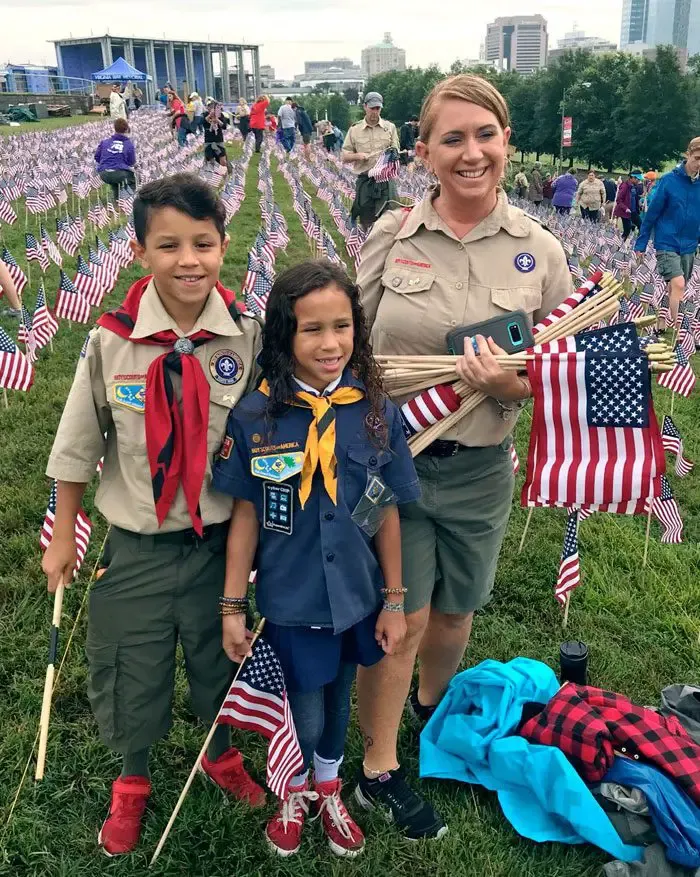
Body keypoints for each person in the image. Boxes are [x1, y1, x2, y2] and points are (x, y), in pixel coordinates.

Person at [354, 73, 572, 840]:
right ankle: (378, 766)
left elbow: (562, 370)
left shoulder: (540, 252)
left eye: (486, 135)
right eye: (453, 138)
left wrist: (510, 382)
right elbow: (346, 344)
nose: (471, 151)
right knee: (401, 619)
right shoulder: (393, 236)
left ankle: (433, 717)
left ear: (507, 142)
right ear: (425, 151)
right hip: (397, 463)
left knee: (455, 612)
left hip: (481, 468)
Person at [41, 174, 265, 857]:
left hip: (219, 545)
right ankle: (132, 776)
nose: (188, 259)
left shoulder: (247, 337)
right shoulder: (111, 341)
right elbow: (78, 441)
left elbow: (267, 437)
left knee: (215, 659)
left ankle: (219, 750)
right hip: (135, 544)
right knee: (129, 664)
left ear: (225, 244)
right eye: (168, 245)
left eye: (203, 242)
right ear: (141, 251)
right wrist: (63, 536)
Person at [212, 259, 420, 858]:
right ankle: (295, 789)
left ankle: (328, 786)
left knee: (338, 700)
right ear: (285, 335)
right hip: (294, 597)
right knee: (302, 704)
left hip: (356, 595)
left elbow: (386, 510)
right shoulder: (257, 416)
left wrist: (395, 600)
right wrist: (232, 606)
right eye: (312, 330)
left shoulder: (376, 410)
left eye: (343, 326)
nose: (330, 344)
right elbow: (246, 516)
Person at [635, 138, 700, 328]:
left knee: (675, 287)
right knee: (678, 284)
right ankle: (680, 331)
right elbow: (651, 214)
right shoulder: (669, 181)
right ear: (687, 154)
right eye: (697, 158)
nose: (699, 163)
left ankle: (662, 320)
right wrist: (641, 243)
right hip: (666, 241)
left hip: (689, 243)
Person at [342, 92, 399, 228]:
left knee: (391, 219)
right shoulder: (354, 130)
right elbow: (344, 156)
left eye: (378, 109)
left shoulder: (390, 128)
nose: (375, 112)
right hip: (366, 181)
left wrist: (393, 155)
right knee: (367, 220)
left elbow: (396, 150)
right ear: (365, 107)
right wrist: (357, 156)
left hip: (385, 181)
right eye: (372, 108)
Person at [94, 118, 136, 202]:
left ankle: (116, 202)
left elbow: (97, 157)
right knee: (131, 182)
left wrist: (106, 163)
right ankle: (125, 201)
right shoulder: (128, 144)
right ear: (126, 129)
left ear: (114, 128)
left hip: (104, 173)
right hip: (120, 173)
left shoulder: (105, 142)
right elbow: (132, 162)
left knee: (115, 183)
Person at [614, 171, 643, 242]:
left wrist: (639, 205)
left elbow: (634, 198)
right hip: (625, 212)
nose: (638, 181)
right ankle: (619, 245)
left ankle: (638, 242)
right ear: (632, 178)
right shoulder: (624, 186)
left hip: (633, 211)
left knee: (641, 225)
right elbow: (619, 200)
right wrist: (626, 208)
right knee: (627, 230)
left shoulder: (634, 186)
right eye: (637, 179)